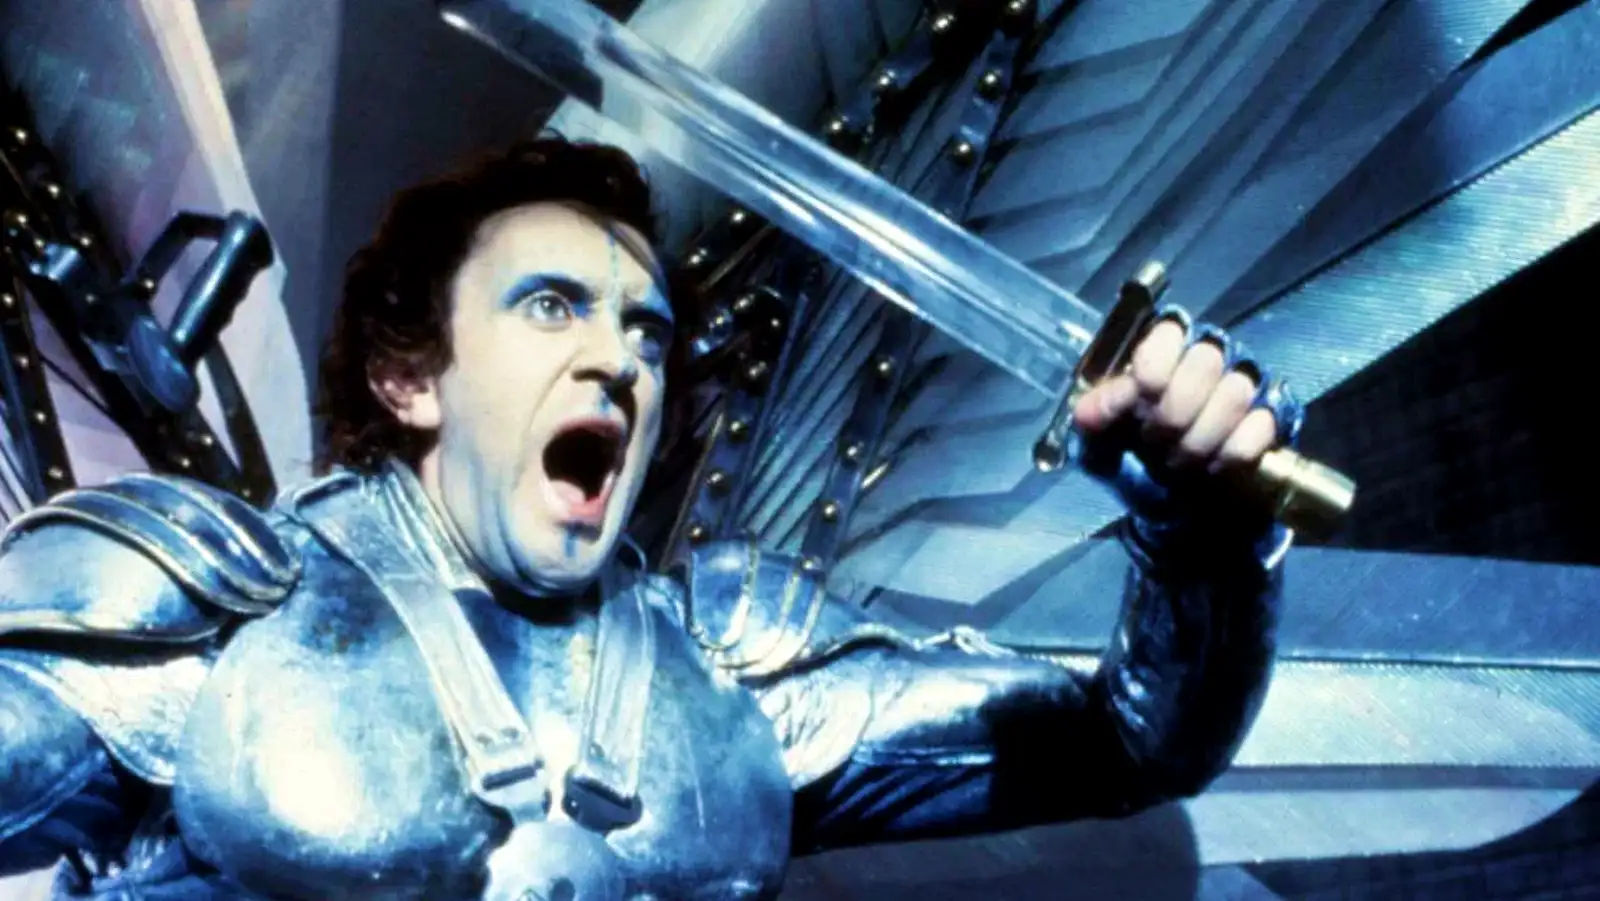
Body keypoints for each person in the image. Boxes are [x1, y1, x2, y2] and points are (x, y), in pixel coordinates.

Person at [0, 139, 1299, 901]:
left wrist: (1205, 537)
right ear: (410, 377)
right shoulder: (213, 610)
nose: (617, 359)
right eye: (551, 306)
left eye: (648, 333)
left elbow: (1135, 739)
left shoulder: (734, 670)